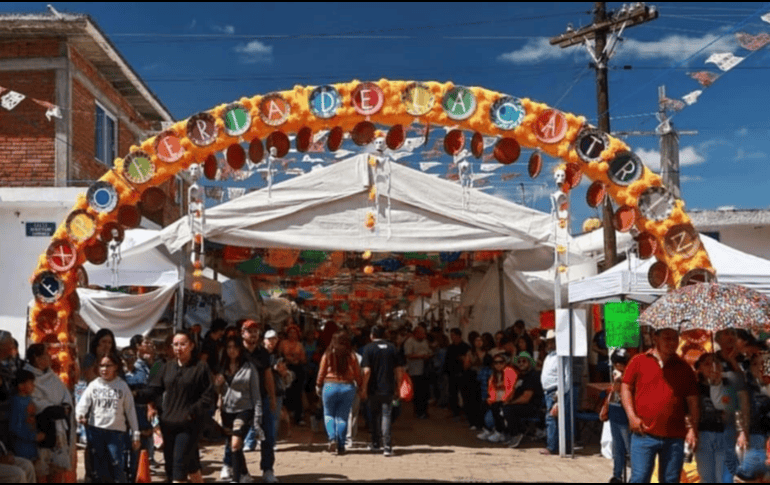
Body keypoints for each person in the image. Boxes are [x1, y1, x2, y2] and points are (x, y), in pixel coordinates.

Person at [135, 330, 216, 483]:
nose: (179, 348)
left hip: (188, 425)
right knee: (188, 467)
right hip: (168, 424)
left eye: (183, 344)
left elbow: (208, 396)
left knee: (179, 469)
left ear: (191, 346)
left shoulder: (201, 367)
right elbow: (154, 390)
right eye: (176, 344)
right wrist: (135, 395)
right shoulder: (165, 367)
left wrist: (191, 413)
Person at [621, 327, 699, 483]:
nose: (672, 343)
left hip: (675, 436)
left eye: (675, 339)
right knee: (639, 478)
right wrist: (631, 417)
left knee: (670, 479)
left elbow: (693, 402)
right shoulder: (639, 361)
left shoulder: (684, 367)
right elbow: (626, 387)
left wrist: (693, 430)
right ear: (655, 338)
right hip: (644, 433)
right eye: (667, 338)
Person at [76, 352, 140, 483]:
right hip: (96, 432)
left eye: (108, 365)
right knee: (99, 470)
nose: (104, 369)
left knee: (117, 467)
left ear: (116, 367)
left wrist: (136, 435)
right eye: (101, 366)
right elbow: (82, 405)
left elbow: (130, 411)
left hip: (116, 434)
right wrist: (80, 416)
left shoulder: (122, 386)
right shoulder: (94, 385)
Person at [215, 335, 264, 484]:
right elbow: (218, 392)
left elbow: (256, 394)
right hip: (226, 411)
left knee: (235, 443)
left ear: (240, 349)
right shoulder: (222, 368)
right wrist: (218, 384)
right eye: (229, 347)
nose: (232, 351)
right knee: (235, 445)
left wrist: (257, 417)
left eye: (235, 347)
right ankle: (244, 474)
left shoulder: (249, 367)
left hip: (244, 409)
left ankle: (235, 480)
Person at [23, 343, 74, 482]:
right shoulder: (27, 376)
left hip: (58, 432)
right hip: (41, 431)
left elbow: (65, 395)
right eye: (46, 354)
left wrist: (64, 407)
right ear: (37, 358)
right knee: (41, 471)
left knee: (57, 470)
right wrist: (52, 410)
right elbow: (32, 400)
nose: (50, 357)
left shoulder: (51, 375)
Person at [240, 320, 279, 483]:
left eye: (256, 331)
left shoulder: (263, 353)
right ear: (243, 333)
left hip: (261, 399)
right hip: (241, 401)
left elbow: (268, 375)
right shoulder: (237, 351)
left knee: (268, 436)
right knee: (237, 437)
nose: (253, 334)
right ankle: (238, 470)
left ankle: (267, 469)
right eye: (250, 331)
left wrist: (272, 397)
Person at [316, 331, 363, 455]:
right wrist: (360, 385)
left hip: (330, 386)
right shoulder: (351, 355)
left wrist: (318, 384)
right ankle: (341, 445)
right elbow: (357, 373)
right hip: (347, 387)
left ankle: (332, 438)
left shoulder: (328, 354)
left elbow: (322, 371)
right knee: (342, 416)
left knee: (328, 414)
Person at [361, 325, 404, 457]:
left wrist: (363, 388)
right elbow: (399, 371)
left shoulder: (368, 348)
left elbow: (366, 371)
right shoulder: (392, 348)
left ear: (372, 335)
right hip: (388, 388)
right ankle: (387, 447)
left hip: (373, 389)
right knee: (386, 415)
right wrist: (399, 386)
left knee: (374, 415)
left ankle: (375, 443)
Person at [714, 328, 750, 482]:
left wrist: (733, 363)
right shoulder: (711, 360)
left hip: (741, 415)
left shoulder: (745, 359)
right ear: (718, 340)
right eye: (726, 334)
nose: (730, 338)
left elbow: (749, 385)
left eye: (733, 334)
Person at [691, 352, 730, 483]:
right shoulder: (695, 387)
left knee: (723, 478)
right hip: (703, 435)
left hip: (723, 434)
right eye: (707, 364)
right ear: (700, 368)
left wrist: (717, 383)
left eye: (716, 363)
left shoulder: (727, 385)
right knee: (707, 478)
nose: (712, 367)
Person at [600, 348, 631, 484]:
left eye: (622, 363)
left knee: (630, 449)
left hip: (625, 418)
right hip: (614, 414)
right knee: (617, 449)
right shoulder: (615, 376)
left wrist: (620, 380)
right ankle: (617, 475)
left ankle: (634, 476)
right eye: (617, 363)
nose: (619, 366)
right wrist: (605, 407)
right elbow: (612, 393)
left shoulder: (629, 376)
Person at [540, 330, 571, 456]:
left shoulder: (562, 356)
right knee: (553, 419)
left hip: (555, 391)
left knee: (552, 418)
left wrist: (560, 393)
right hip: (549, 391)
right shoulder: (550, 356)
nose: (549, 344)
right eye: (548, 341)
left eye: (552, 341)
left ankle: (552, 446)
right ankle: (557, 445)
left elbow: (567, 377)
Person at [503, 352, 543, 448]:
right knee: (499, 406)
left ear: (529, 363)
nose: (521, 363)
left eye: (524, 361)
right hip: (522, 405)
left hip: (532, 406)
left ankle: (517, 433)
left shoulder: (533, 376)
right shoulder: (521, 376)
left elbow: (526, 398)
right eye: (519, 361)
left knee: (509, 409)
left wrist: (510, 403)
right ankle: (508, 433)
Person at [8, 370, 44, 471]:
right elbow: (14, 427)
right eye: (31, 383)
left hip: (31, 448)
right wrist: (33, 436)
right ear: (21, 385)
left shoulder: (28, 399)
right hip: (21, 449)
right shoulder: (16, 403)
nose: (33, 386)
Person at [482, 355, 517, 443]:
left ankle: (499, 432)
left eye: (501, 362)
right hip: (497, 400)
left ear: (505, 363)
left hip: (508, 400)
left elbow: (510, 389)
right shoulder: (493, 375)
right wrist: (491, 400)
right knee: (484, 405)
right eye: (496, 362)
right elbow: (491, 390)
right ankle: (489, 430)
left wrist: (503, 400)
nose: (498, 364)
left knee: (497, 408)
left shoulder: (509, 372)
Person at [279, 324, 306, 426]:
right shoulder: (283, 343)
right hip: (286, 369)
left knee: (297, 392)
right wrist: (287, 359)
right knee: (286, 392)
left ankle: (298, 417)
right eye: (290, 332)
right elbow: (280, 356)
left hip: (297, 370)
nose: (292, 334)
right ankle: (286, 417)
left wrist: (297, 359)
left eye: (294, 332)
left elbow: (304, 359)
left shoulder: (300, 345)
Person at [403, 326, 432, 419]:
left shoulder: (425, 342)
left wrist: (428, 355)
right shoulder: (409, 342)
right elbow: (408, 355)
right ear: (416, 333)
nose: (424, 335)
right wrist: (421, 356)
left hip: (425, 369)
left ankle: (424, 410)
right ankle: (419, 411)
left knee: (425, 392)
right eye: (422, 333)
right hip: (415, 371)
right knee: (418, 392)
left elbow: (428, 351)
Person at [444, 328, 471, 421]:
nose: (451, 337)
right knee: (453, 394)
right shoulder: (450, 347)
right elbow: (447, 361)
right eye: (451, 336)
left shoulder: (465, 347)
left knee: (465, 394)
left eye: (453, 335)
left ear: (458, 336)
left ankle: (467, 413)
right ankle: (455, 413)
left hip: (462, 374)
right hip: (452, 374)